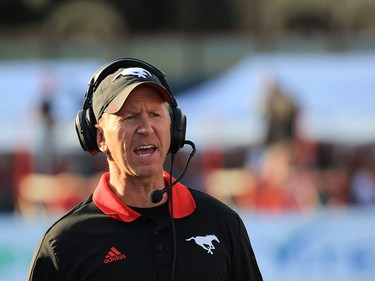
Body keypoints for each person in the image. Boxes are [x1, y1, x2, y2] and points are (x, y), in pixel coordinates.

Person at [27, 58, 263, 281]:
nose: (146, 128)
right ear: (99, 137)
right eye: (130, 116)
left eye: (155, 114)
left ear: (175, 127)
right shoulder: (64, 243)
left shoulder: (221, 222)